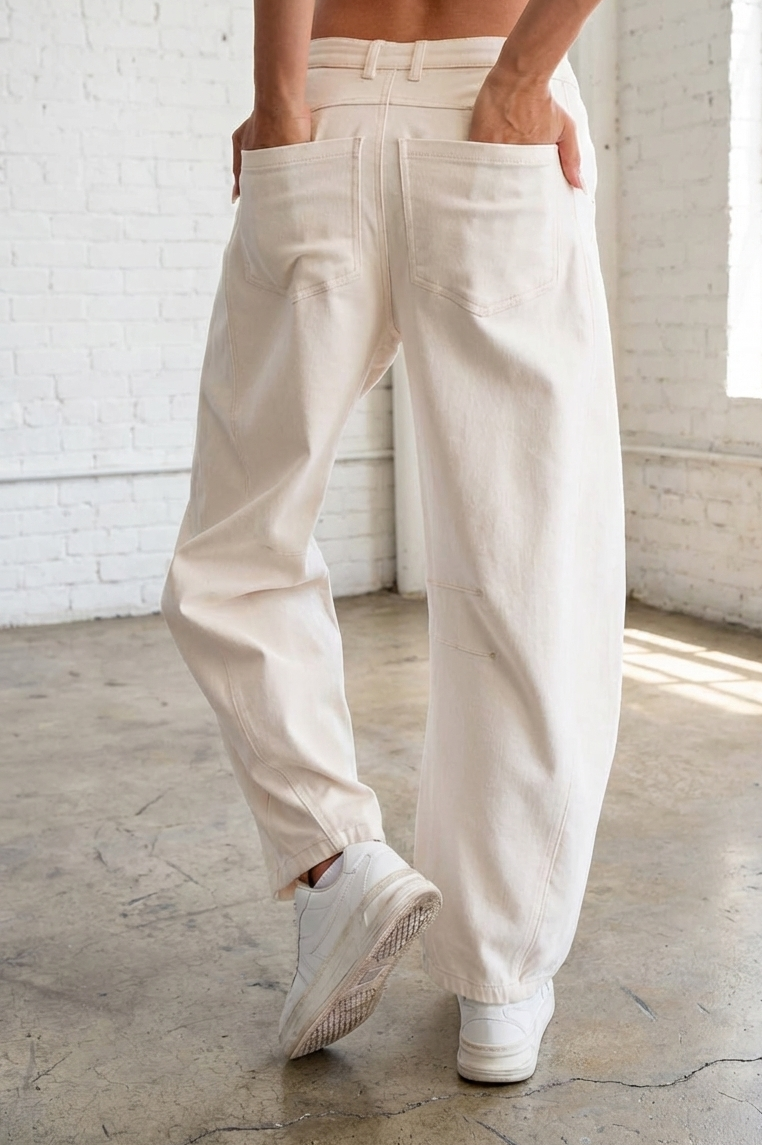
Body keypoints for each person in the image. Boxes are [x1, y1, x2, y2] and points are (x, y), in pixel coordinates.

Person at [162, 0, 625, 1083]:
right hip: (488, 90)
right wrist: (523, 78)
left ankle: (334, 863)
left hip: (320, 97)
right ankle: (499, 986)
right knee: (530, 566)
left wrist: (284, 101)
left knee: (239, 542)